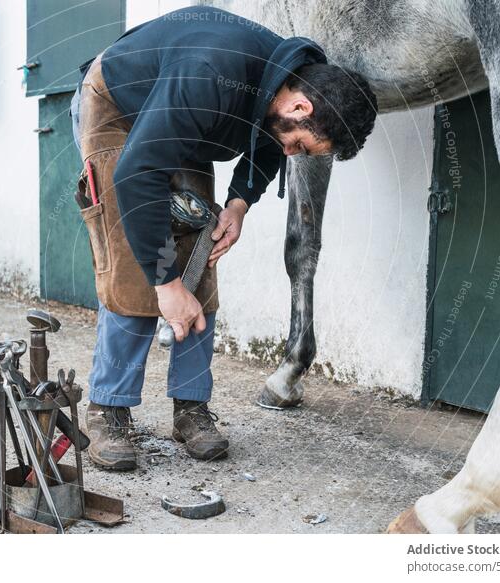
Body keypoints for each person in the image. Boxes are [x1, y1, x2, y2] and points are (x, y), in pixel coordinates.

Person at [70, 6, 376, 470]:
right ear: (301, 107)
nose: (291, 152)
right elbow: (138, 174)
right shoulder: (209, 75)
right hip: (119, 107)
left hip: (186, 123)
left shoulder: (286, 79)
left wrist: (239, 204)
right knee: (137, 265)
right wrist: (167, 287)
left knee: (201, 253)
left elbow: (273, 142)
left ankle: (191, 406)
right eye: (301, 146)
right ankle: (109, 408)